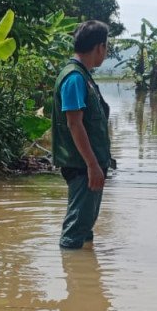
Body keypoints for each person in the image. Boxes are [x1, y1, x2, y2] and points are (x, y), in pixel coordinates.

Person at [51, 20, 113, 250]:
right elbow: (75, 124)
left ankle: (86, 275)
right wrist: (92, 165)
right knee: (75, 230)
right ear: (99, 47)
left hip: (86, 164)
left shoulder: (82, 76)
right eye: (106, 47)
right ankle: (75, 276)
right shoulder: (74, 78)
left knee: (85, 224)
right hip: (82, 165)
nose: (105, 52)